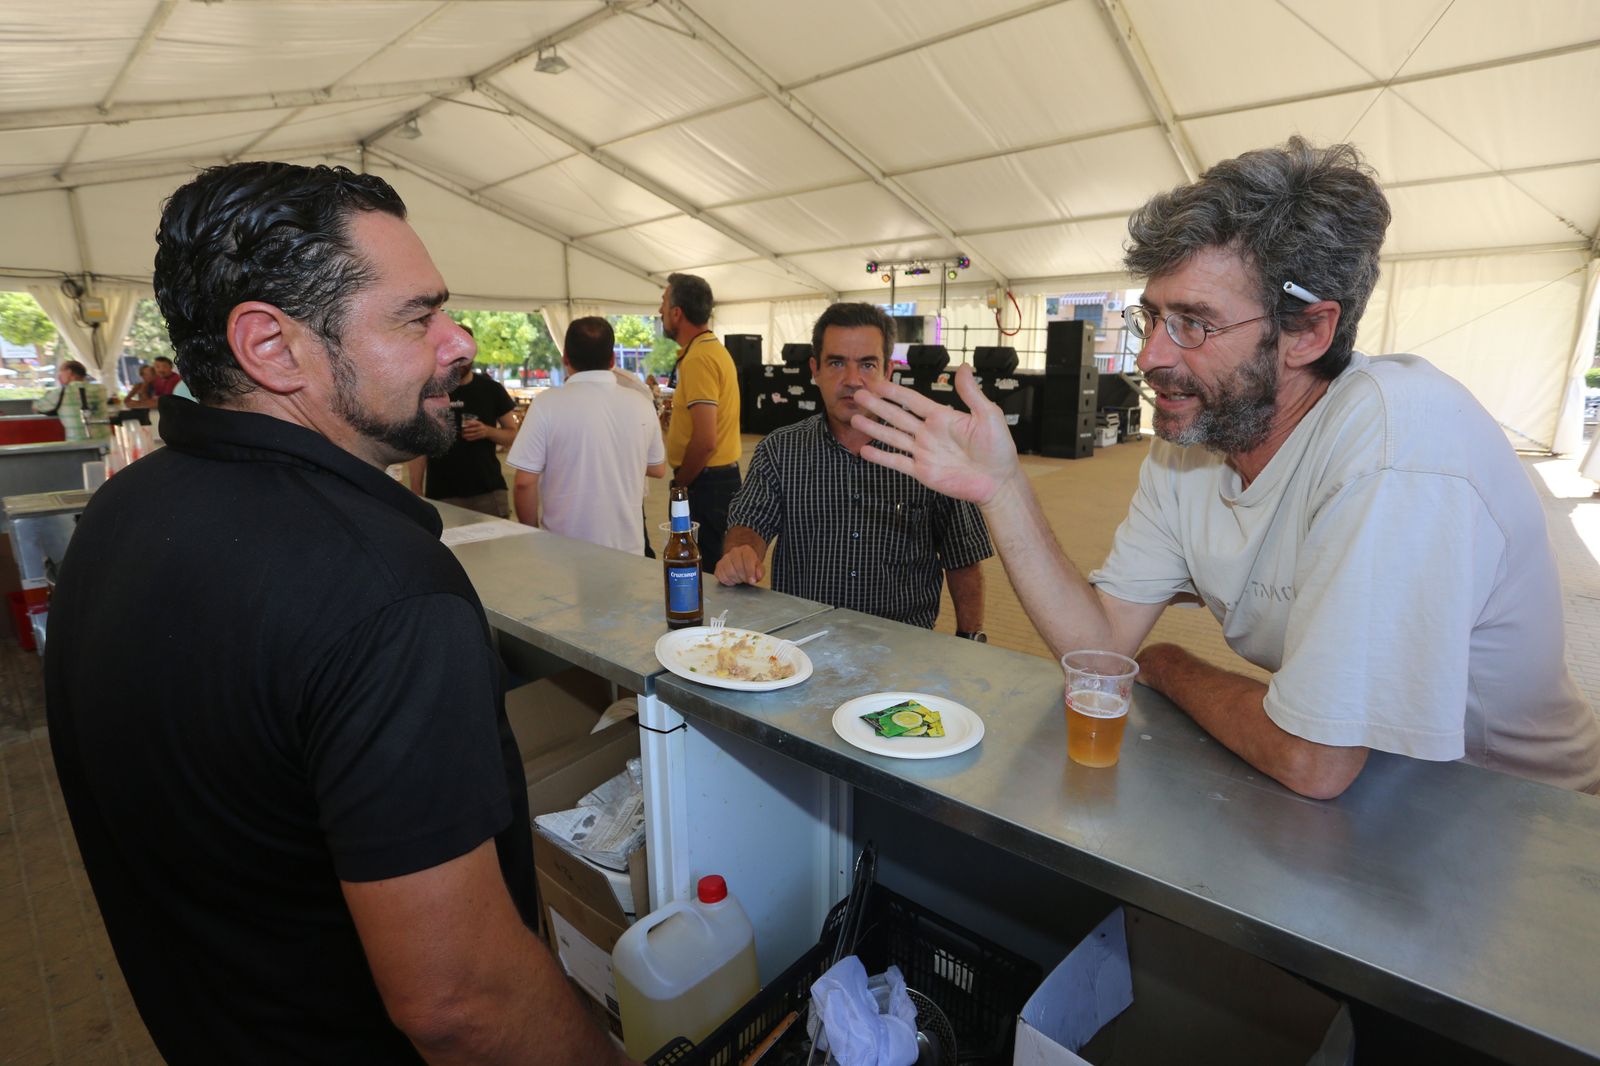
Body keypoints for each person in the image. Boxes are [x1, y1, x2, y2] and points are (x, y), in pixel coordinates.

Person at [44, 161, 629, 1064]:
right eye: (416, 316)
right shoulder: (387, 594)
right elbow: (461, 1002)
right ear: (273, 349)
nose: (460, 340)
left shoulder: (125, 508)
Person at [852, 138, 1600, 800]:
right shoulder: (1191, 444)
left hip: (1520, 825)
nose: (1150, 357)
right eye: (1150, 317)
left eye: (1193, 323)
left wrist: (1172, 664)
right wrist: (1005, 488)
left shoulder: (1398, 442)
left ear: (1308, 330)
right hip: (1378, 807)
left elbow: (1312, 759)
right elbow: (1102, 649)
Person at [716, 303, 992, 634]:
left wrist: (970, 640)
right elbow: (749, 523)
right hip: (804, 641)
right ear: (815, 369)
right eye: (836, 363)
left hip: (904, 646)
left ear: (888, 371)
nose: (851, 380)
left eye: (867, 364)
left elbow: (963, 559)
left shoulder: (931, 452)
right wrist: (741, 553)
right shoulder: (780, 450)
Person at [507, 317, 666, 553]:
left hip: (563, 549)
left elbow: (524, 483)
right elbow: (657, 468)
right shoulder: (640, 403)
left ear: (565, 359)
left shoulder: (547, 404)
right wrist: (613, 454)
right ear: (612, 359)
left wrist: (532, 535)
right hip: (628, 549)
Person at [660, 272, 741, 571]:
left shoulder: (699, 359)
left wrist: (680, 484)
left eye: (664, 303)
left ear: (677, 313)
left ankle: (704, 620)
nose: (660, 312)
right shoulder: (709, 350)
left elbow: (706, 440)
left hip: (706, 486)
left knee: (701, 575)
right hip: (715, 482)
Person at [409, 328, 519, 517]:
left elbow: (513, 436)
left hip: (488, 491)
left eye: (462, 357)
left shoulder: (491, 389)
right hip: (441, 494)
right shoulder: (429, 390)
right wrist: (416, 490)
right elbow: (419, 447)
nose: (457, 362)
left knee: (494, 546)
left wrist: (487, 431)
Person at [32, 359, 108, 440]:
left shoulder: (61, 392)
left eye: (61, 371)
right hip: (105, 441)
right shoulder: (101, 389)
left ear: (69, 372)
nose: (59, 376)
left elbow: (36, 407)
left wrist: (49, 395)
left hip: (77, 443)